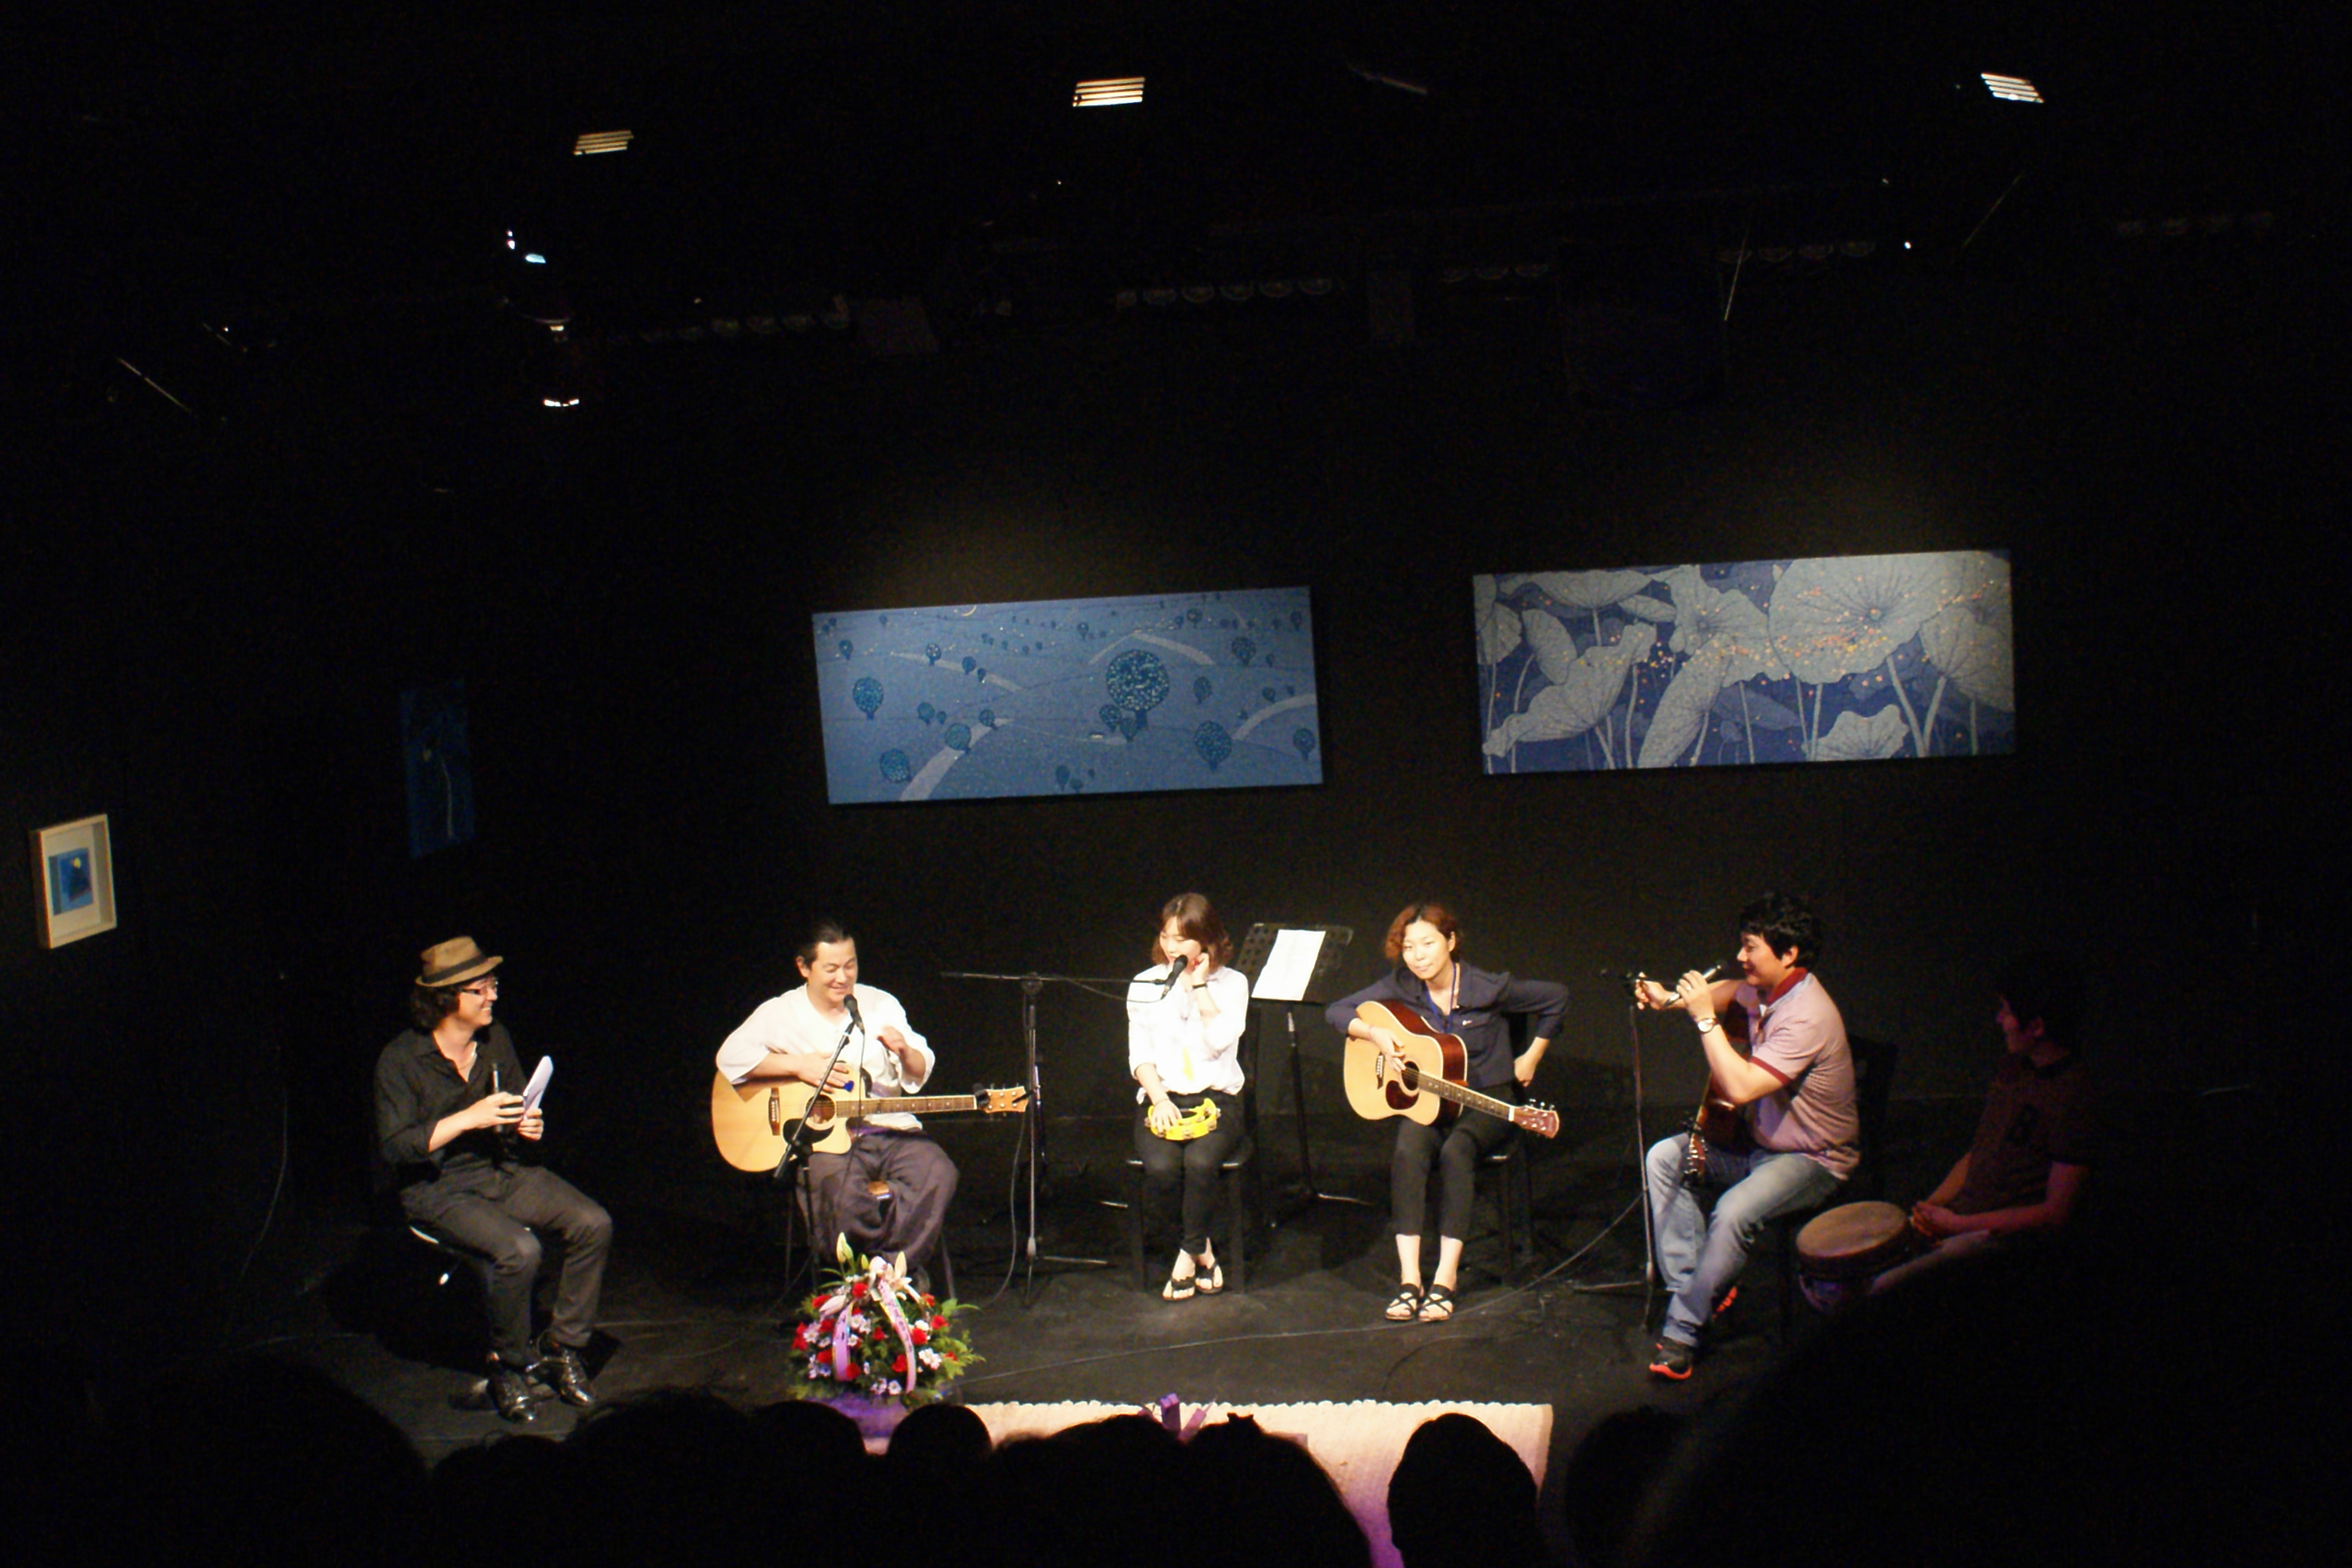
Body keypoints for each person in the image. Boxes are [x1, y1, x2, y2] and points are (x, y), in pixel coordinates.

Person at [374, 937, 612, 1422]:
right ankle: (509, 1363)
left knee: (593, 1222)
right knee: (520, 1251)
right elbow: (396, 1147)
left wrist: (527, 1125)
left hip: (500, 1170)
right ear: (447, 999)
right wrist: (469, 1118)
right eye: (480, 989)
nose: (493, 996)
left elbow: (515, 1109)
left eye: (493, 985)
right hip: (438, 1188)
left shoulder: (494, 1039)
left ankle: (563, 1346)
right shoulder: (399, 1060)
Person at [1635, 891, 1857, 1379]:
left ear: (1789, 954)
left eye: (1751, 947)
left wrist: (1703, 1019)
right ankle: (1697, 1290)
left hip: (1812, 1159)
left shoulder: (1807, 1014)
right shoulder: (1768, 990)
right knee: (1665, 1158)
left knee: (1733, 1211)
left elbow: (1738, 1087)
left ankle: (1683, 1331)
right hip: (1759, 1147)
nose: (1740, 956)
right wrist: (1669, 999)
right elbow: (1732, 990)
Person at [1327, 902, 1566, 1323]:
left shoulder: (1488, 987)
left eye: (1428, 944)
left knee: (1457, 1152)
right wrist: (1375, 1033)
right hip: (1433, 1099)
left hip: (1487, 1099)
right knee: (1408, 1149)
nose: (1418, 956)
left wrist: (1530, 1057)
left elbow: (1556, 998)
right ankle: (1409, 1280)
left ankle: (1445, 1278)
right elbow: (1337, 1012)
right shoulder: (1402, 985)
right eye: (1408, 947)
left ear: (1451, 942)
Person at [715, 919, 958, 1281]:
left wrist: (906, 1052)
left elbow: (919, 1067)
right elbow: (730, 1057)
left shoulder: (880, 1004)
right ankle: (859, 1276)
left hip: (890, 1129)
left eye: (850, 965)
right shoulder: (781, 1012)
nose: (843, 978)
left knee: (938, 1173)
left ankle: (888, 1276)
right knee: (839, 1193)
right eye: (831, 969)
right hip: (828, 1142)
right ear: (804, 967)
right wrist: (798, 1065)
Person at [1871, 951, 2096, 1293]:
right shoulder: (2013, 1069)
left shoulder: (2073, 1096)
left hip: (2000, 1240)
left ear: (2037, 1026)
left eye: (2007, 1010)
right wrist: (1931, 1207)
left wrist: (1958, 1226)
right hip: (1962, 1220)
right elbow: (1978, 1154)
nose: (1999, 1019)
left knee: (1883, 1288)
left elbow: (2055, 1213)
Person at [1127, 892, 1250, 1300]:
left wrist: (1199, 985)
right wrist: (1159, 1099)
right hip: (1162, 1097)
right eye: (1166, 936)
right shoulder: (1145, 983)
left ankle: (1185, 1258)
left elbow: (1220, 1041)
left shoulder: (1233, 984)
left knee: (1199, 1163)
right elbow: (1140, 1056)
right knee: (1162, 1168)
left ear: (1206, 939)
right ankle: (1204, 1251)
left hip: (1218, 1099)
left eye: (1181, 939)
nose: (1171, 946)